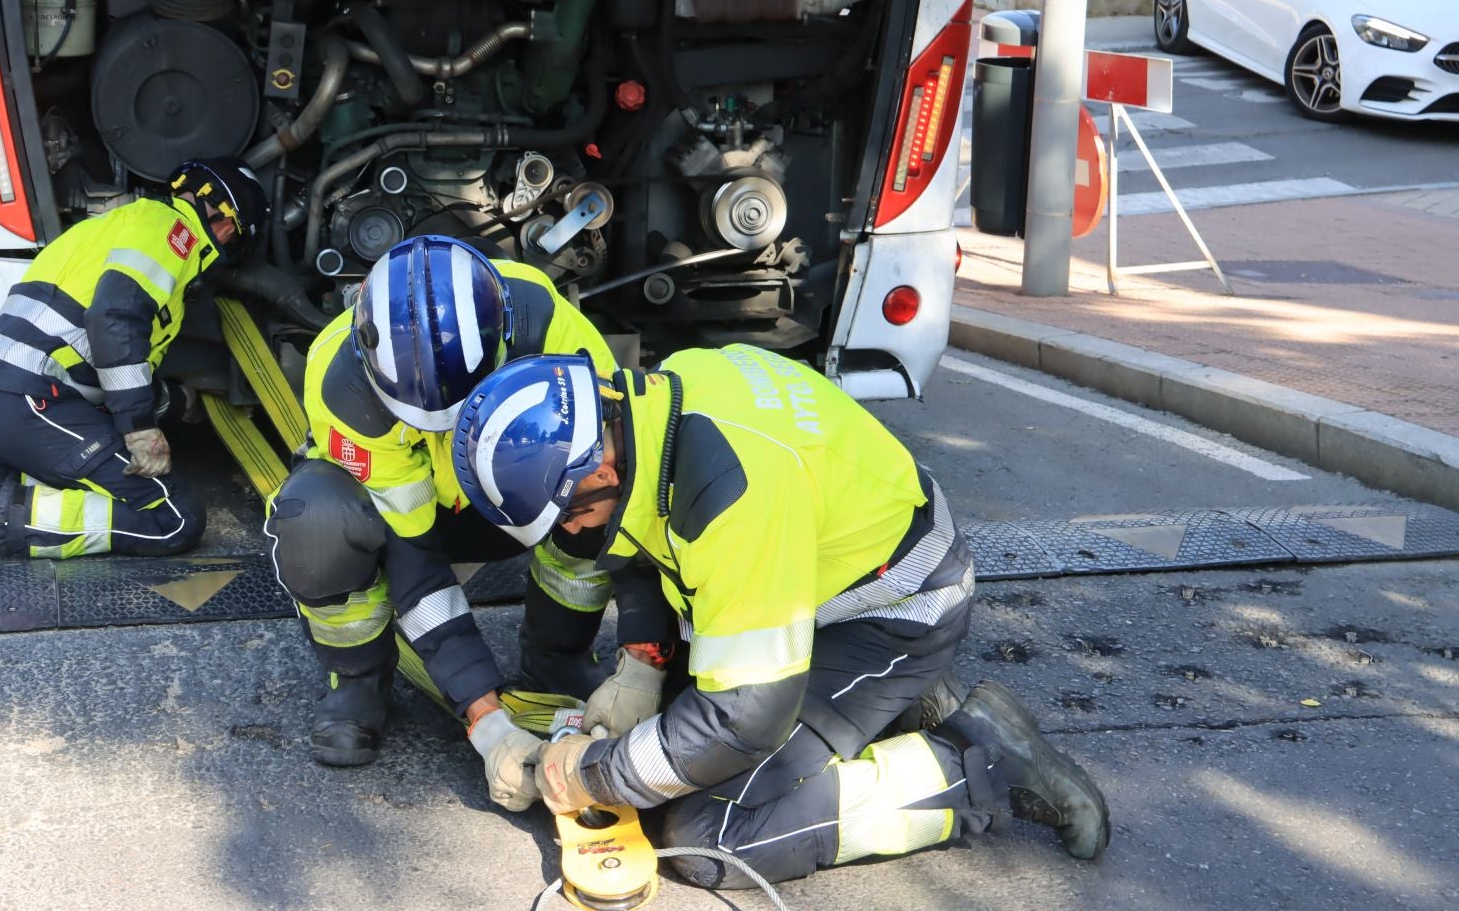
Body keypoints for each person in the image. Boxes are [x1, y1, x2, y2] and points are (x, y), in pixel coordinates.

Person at [450, 345, 1111, 889]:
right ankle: (893, 704)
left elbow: (744, 716)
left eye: (570, 513)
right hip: (810, 588)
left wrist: (593, 772)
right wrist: (642, 663)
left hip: (894, 612)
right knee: (663, 748)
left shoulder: (735, 497)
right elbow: (640, 541)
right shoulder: (651, 407)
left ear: (599, 464)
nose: (574, 531)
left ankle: (978, 764)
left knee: (707, 834)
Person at [263, 234, 618, 769]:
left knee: (594, 490)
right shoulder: (342, 385)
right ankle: (359, 676)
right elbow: (414, 555)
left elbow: (624, 474)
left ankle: (558, 657)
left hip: (511, 499)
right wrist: (486, 718)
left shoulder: (550, 328)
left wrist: (645, 659)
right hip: (416, 516)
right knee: (319, 519)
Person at [0, 158, 268, 562]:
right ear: (227, 221)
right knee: (175, 520)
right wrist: (139, 430)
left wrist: (178, 402)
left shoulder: (119, 223)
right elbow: (114, 320)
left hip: (4, 393)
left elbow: (103, 358)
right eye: (232, 234)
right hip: (35, 399)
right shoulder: (174, 233)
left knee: (111, 484)